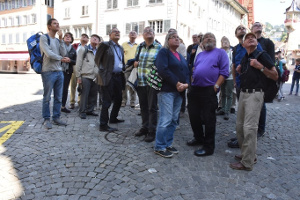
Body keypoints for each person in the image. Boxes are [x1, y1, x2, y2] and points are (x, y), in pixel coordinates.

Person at [230, 32, 278, 171]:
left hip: (255, 95)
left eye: (253, 38)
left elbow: (275, 75)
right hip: (244, 93)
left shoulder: (262, 55)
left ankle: (247, 163)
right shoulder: (246, 57)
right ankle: (249, 154)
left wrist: (260, 67)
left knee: (249, 128)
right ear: (243, 44)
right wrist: (240, 71)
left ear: (257, 42)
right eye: (247, 38)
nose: (251, 38)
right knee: (239, 127)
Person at [187, 32, 229, 156]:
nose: (209, 38)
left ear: (215, 41)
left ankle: (209, 147)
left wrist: (216, 86)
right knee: (193, 115)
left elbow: (224, 72)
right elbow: (195, 69)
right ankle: (198, 137)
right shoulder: (200, 55)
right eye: (206, 37)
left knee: (209, 118)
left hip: (209, 89)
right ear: (202, 42)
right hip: (195, 89)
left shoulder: (221, 53)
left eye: (212, 37)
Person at [154, 31, 189, 158]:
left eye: (177, 37)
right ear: (167, 41)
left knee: (174, 119)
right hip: (167, 90)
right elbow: (163, 69)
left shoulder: (180, 55)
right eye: (173, 37)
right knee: (166, 119)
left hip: (179, 92)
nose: (176, 39)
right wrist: (177, 83)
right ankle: (159, 146)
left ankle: (167, 144)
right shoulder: (164, 52)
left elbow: (187, 71)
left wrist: (186, 84)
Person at [228, 25, 263, 148]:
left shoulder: (253, 44)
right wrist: (235, 82)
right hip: (240, 83)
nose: (242, 30)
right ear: (236, 33)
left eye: (244, 28)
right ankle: (241, 136)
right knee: (241, 114)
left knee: (250, 115)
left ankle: (251, 137)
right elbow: (234, 65)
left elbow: (263, 61)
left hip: (253, 86)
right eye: (239, 28)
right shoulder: (237, 48)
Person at [133, 26, 162, 142]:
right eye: (146, 31)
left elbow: (162, 65)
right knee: (143, 106)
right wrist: (135, 63)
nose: (148, 31)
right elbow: (136, 60)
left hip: (152, 82)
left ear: (154, 35)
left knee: (152, 107)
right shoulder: (140, 47)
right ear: (143, 35)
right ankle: (144, 127)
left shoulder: (159, 48)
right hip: (141, 81)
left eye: (151, 30)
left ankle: (152, 131)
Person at [39, 18, 68, 129]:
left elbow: (64, 52)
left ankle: (56, 117)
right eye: (55, 23)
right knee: (47, 97)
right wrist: (61, 59)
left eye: (58, 23)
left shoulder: (56, 40)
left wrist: (61, 39)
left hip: (59, 71)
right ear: (49, 26)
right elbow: (49, 54)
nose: (57, 25)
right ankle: (46, 119)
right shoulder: (44, 38)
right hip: (48, 71)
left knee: (58, 97)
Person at [95, 27, 125, 132]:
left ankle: (113, 118)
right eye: (114, 31)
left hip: (118, 76)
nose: (117, 32)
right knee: (107, 101)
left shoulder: (120, 48)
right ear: (110, 35)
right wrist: (103, 72)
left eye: (118, 31)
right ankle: (103, 125)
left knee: (119, 99)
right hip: (108, 77)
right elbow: (97, 59)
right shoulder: (105, 45)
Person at [251, 22, 275, 138]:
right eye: (256, 25)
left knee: (261, 103)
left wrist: (260, 67)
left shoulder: (268, 43)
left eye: (260, 25)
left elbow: (270, 61)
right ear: (251, 29)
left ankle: (261, 129)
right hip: (250, 78)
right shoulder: (248, 41)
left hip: (262, 76)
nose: (258, 26)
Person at [76, 34, 101, 119]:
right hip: (85, 75)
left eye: (97, 39)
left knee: (93, 95)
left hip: (95, 76)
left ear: (98, 42)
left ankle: (90, 110)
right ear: (90, 40)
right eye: (93, 38)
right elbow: (78, 63)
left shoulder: (99, 52)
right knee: (84, 95)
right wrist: (78, 77)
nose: (95, 40)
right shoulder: (83, 49)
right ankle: (82, 111)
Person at [69, 34, 89, 109]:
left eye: (86, 37)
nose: (84, 37)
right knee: (73, 85)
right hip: (74, 67)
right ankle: (72, 102)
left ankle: (80, 101)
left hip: (84, 68)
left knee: (81, 85)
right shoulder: (75, 46)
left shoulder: (88, 48)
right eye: (82, 36)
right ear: (80, 38)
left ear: (88, 40)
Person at [216, 36, 233, 120]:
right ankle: (222, 108)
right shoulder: (220, 53)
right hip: (222, 76)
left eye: (227, 42)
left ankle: (227, 110)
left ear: (229, 44)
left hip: (229, 76)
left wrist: (229, 72)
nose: (225, 43)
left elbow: (232, 65)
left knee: (229, 94)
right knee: (223, 93)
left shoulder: (231, 52)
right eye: (224, 42)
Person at [122, 31, 138, 108]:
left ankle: (132, 101)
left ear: (137, 36)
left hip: (134, 68)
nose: (132, 34)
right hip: (126, 67)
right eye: (131, 33)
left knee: (132, 85)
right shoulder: (124, 45)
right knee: (124, 85)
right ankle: (123, 101)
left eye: (134, 33)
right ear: (128, 35)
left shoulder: (138, 46)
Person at [61, 32, 76, 113]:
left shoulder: (73, 49)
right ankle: (57, 106)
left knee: (65, 89)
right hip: (59, 70)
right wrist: (61, 59)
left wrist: (70, 60)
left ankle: (63, 106)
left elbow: (75, 61)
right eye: (66, 36)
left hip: (67, 71)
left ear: (71, 39)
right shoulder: (60, 46)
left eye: (69, 36)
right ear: (63, 38)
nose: (67, 37)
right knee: (58, 89)